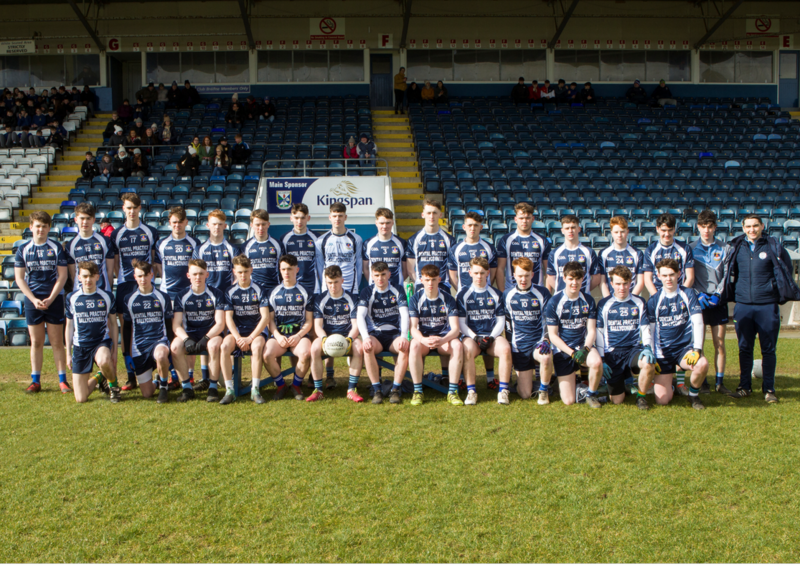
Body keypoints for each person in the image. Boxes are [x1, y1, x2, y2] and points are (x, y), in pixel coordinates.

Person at [724, 214, 797, 403]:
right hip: (743, 306)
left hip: (767, 306)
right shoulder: (737, 247)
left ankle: (769, 389)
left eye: (755, 225)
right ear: (743, 228)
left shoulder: (773, 246)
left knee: (768, 350)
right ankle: (744, 387)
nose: (752, 229)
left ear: (762, 226)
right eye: (748, 226)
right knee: (744, 348)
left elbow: (785, 270)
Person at [638, 259, 708, 411]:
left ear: (679, 274)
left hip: (684, 351)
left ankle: (693, 395)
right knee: (662, 400)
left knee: (702, 364)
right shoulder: (654, 300)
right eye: (664, 275)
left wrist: (697, 350)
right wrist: (651, 351)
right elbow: (650, 330)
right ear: (658, 276)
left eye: (671, 274)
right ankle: (672, 384)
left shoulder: (688, 294)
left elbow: (698, 322)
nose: (668, 279)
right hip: (663, 353)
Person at [14, 211, 69, 394]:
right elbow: (19, 278)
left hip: (53, 299)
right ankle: (35, 381)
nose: (41, 229)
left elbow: (63, 276)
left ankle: (62, 381)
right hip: (33, 301)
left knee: (56, 342)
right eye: (37, 226)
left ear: (49, 228)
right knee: (36, 342)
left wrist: (51, 298)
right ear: (31, 227)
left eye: (44, 226)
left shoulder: (56, 248)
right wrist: (34, 299)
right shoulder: (23, 249)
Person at [110, 192, 159, 392]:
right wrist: (122, 278)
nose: (131, 211)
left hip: (147, 285)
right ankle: (131, 376)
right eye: (128, 207)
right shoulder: (116, 234)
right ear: (124, 209)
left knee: (151, 327)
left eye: (134, 207)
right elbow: (114, 263)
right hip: (125, 285)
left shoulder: (150, 231)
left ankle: (153, 372)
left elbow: (154, 260)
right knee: (127, 330)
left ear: (140, 209)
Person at [544, 261, 603, 408]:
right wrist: (572, 353)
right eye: (570, 278)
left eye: (577, 278)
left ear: (583, 279)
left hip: (583, 347)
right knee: (568, 401)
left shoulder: (588, 300)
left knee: (596, 362)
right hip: (564, 351)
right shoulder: (554, 302)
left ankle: (591, 394)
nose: (574, 282)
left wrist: (586, 349)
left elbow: (592, 331)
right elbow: (553, 335)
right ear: (564, 278)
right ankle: (577, 386)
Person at [596, 265, 656, 410]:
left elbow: (645, 328)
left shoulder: (639, 302)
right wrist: (602, 359)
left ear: (630, 283)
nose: (621, 287)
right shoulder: (604, 304)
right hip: (612, 354)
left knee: (648, 363)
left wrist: (647, 348)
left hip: (633, 351)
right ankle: (621, 384)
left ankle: (641, 397)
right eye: (617, 284)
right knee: (617, 400)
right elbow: (599, 333)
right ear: (611, 284)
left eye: (625, 283)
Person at [117, 259, 174, 403]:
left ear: (152, 275)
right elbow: (126, 328)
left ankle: (163, 388)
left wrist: (171, 350)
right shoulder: (128, 299)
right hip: (139, 347)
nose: (143, 279)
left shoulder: (163, 297)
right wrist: (127, 355)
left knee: (161, 356)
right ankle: (156, 381)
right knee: (147, 394)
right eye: (139, 276)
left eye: (145, 275)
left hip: (159, 342)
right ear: (135, 277)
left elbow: (168, 325)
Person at [457, 257, 512, 405]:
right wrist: (475, 338)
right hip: (472, 336)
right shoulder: (463, 295)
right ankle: (471, 391)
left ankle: (503, 391)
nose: (479, 276)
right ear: (470, 273)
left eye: (482, 273)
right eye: (476, 273)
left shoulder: (496, 294)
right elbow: (461, 323)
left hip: (491, 336)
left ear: (488, 273)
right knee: (466, 349)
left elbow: (501, 320)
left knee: (506, 348)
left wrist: (492, 337)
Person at [690, 210, 733, 396]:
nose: (706, 231)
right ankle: (704, 382)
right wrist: (698, 295)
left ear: (715, 227)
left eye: (709, 227)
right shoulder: (690, 248)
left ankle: (720, 382)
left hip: (718, 301)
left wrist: (717, 294)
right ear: (698, 227)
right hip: (699, 301)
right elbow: (688, 277)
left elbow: (727, 276)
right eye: (703, 227)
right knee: (700, 343)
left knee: (720, 342)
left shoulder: (725, 248)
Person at [170, 259, 226, 403]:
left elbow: (220, 323)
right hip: (190, 333)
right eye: (194, 274)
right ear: (188, 275)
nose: (198, 277)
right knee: (175, 347)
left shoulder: (216, 294)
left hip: (211, 333)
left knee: (214, 346)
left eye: (201, 274)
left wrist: (206, 338)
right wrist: (186, 339)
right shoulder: (181, 295)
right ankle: (187, 387)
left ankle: (212, 387)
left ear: (207, 274)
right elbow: (176, 325)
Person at [218, 255, 271, 405]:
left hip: (256, 331)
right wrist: (239, 337)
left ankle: (255, 390)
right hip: (237, 332)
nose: (243, 275)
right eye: (240, 272)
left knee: (257, 346)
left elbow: (265, 317)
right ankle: (229, 390)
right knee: (225, 346)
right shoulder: (229, 291)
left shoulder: (259, 289)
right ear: (234, 271)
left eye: (246, 271)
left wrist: (250, 338)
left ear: (251, 270)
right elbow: (228, 318)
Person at [409, 265, 464, 406]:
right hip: (424, 340)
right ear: (421, 279)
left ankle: (452, 392)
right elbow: (413, 328)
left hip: (443, 339)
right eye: (427, 280)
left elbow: (456, 329)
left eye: (433, 280)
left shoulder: (448, 298)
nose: (430, 283)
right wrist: (423, 340)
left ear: (439, 279)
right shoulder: (416, 299)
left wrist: (442, 340)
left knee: (457, 345)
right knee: (414, 345)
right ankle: (417, 391)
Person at [65, 262, 119, 403]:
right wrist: (68, 353)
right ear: (79, 278)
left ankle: (113, 387)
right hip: (80, 346)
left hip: (100, 343)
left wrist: (114, 350)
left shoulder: (107, 296)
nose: (88, 280)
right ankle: (99, 377)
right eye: (85, 276)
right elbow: (69, 326)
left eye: (91, 276)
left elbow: (113, 323)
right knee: (81, 398)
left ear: (97, 277)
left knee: (104, 360)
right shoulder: (72, 298)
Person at [358, 261, 410, 405]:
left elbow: (405, 315)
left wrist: (404, 336)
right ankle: (377, 390)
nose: (380, 278)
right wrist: (366, 338)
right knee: (367, 347)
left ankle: (395, 389)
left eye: (383, 275)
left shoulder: (398, 289)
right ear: (372, 276)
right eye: (376, 275)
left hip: (394, 335)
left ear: (389, 274)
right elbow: (360, 316)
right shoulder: (367, 292)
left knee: (404, 347)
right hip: (376, 335)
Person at [263, 254, 314, 402]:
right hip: (279, 336)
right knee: (266, 355)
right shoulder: (272, 293)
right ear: (279, 269)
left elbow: (309, 321)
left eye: (290, 269)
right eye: (283, 269)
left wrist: (298, 336)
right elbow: (270, 320)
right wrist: (278, 336)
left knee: (305, 353)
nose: (286, 273)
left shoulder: (306, 292)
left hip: (299, 336)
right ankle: (281, 385)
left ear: (297, 270)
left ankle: (296, 385)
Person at [309, 265, 363, 402]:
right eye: (330, 283)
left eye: (336, 282)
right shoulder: (320, 299)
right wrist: (324, 339)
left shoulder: (352, 298)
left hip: (347, 336)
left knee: (359, 347)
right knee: (314, 348)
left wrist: (349, 339)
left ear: (342, 280)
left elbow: (356, 325)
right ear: (325, 282)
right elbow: (317, 326)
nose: (333, 286)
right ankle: (318, 390)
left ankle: (351, 389)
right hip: (327, 338)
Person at [503, 258, 554, 404]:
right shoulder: (507, 295)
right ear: (514, 275)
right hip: (520, 345)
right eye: (519, 275)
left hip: (538, 343)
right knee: (524, 394)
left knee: (545, 357)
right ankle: (541, 383)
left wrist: (546, 339)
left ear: (532, 274)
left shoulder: (542, 292)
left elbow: (548, 320)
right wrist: (509, 346)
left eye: (526, 275)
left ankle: (543, 391)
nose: (523, 279)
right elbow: (508, 324)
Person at [496, 202, 550, 291]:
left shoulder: (542, 240)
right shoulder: (506, 240)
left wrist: (547, 293)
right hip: (512, 290)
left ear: (533, 219)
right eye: (521, 218)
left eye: (527, 218)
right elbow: (500, 269)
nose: (524, 221)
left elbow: (548, 271)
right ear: (515, 219)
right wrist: (503, 293)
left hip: (537, 291)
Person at [406, 199, 456, 293]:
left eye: (434, 213)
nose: (431, 216)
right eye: (428, 213)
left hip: (443, 286)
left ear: (440, 215)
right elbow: (410, 269)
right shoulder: (414, 240)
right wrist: (423, 283)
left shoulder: (449, 240)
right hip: (421, 287)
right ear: (423, 214)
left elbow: (452, 269)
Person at [66, 203, 115, 294]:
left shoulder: (104, 241)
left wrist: (106, 292)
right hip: (80, 294)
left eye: (88, 218)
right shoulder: (70, 245)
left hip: (102, 292)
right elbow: (74, 275)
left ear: (93, 220)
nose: (85, 222)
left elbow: (110, 271)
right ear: (76, 219)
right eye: (82, 218)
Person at [546, 215, 603, 294]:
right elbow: (550, 277)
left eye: (573, 227)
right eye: (567, 228)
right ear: (562, 230)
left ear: (579, 229)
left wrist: (583, 291)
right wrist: (563, 291)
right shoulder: (555, 253)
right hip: (562, 299)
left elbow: (596, 278)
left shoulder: (589, 252)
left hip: (583, 299)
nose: (570, 230)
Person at [314, 202, 363, 294]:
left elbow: (359, 265)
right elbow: (320, 265)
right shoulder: (321, 240)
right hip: (329, 286)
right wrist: (325, 283)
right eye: (334, 216)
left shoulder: (356, 239)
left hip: (350, 285)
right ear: (330, 217)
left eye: (340, 216)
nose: (337, 219)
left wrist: (356, 285)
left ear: (345, 217)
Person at [642, 213, 694, 296]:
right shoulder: (650, 250)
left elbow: (690, 278)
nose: (667, 234)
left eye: (670, 230)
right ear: (657, 229)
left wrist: (680, 297)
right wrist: (658, 298)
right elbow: (648, 280)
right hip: (658, 295)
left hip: (680, 295)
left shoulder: (685, 249)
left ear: (674, 229)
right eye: (663, 230)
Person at [193, 209, 240, 294]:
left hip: (227, 294)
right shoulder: (199, 249)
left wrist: (231, 290)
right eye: (214, 224)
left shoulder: (233, 249)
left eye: (220, 224)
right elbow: (195, 274)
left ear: (225, 226)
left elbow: (238, 274)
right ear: (208, 225)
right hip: (206, 295)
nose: (217, 227)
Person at [448, 211, 497, 291]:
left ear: (481, 227)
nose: (472, 228)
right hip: (464, 295)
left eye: (476, 225)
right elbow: (452, 275)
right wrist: (461, 292)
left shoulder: (489, 248)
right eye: (470, 225)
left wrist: (485, 289)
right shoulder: (456, 249)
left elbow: (492, 273)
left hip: (484, 293)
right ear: (464, 227)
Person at [363, 207, 407, 290]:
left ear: (392, 223)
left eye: (388, 223)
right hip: (375, 289)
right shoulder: (368, 243)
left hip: (396, 289)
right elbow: (365, 269)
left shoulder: (401, 243)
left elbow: (405, 269)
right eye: (381, 223)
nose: (385, 226)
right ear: (376, 223)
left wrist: (398, 283)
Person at [599, 216, 644, 298]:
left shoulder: (637, 253)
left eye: (622, 232)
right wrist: (608, 300)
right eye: (616, 232)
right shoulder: (604, 253)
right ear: (611, 233)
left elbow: (640, 282)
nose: (619, 235)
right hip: (611, 299)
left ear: (627, 232)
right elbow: (602, 282)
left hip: (631, 299)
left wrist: (632, 299)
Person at [281, 203, 319, 298]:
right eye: (296, 218)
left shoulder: (317, 238)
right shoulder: (284, 238)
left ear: (308, 218)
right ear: (291, 218)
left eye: (302, 218)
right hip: (292, 284)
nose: (299, 221)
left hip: (312, 285)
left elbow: (321, 263)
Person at [242, 209, 282, 296]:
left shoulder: (277, 244)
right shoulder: (246, 246)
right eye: (257, 224)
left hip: (274, 290)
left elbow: (283, 269)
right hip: (253, 291)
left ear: (268, 224)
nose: (261, 228)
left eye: (263, 224)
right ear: (251, 225)